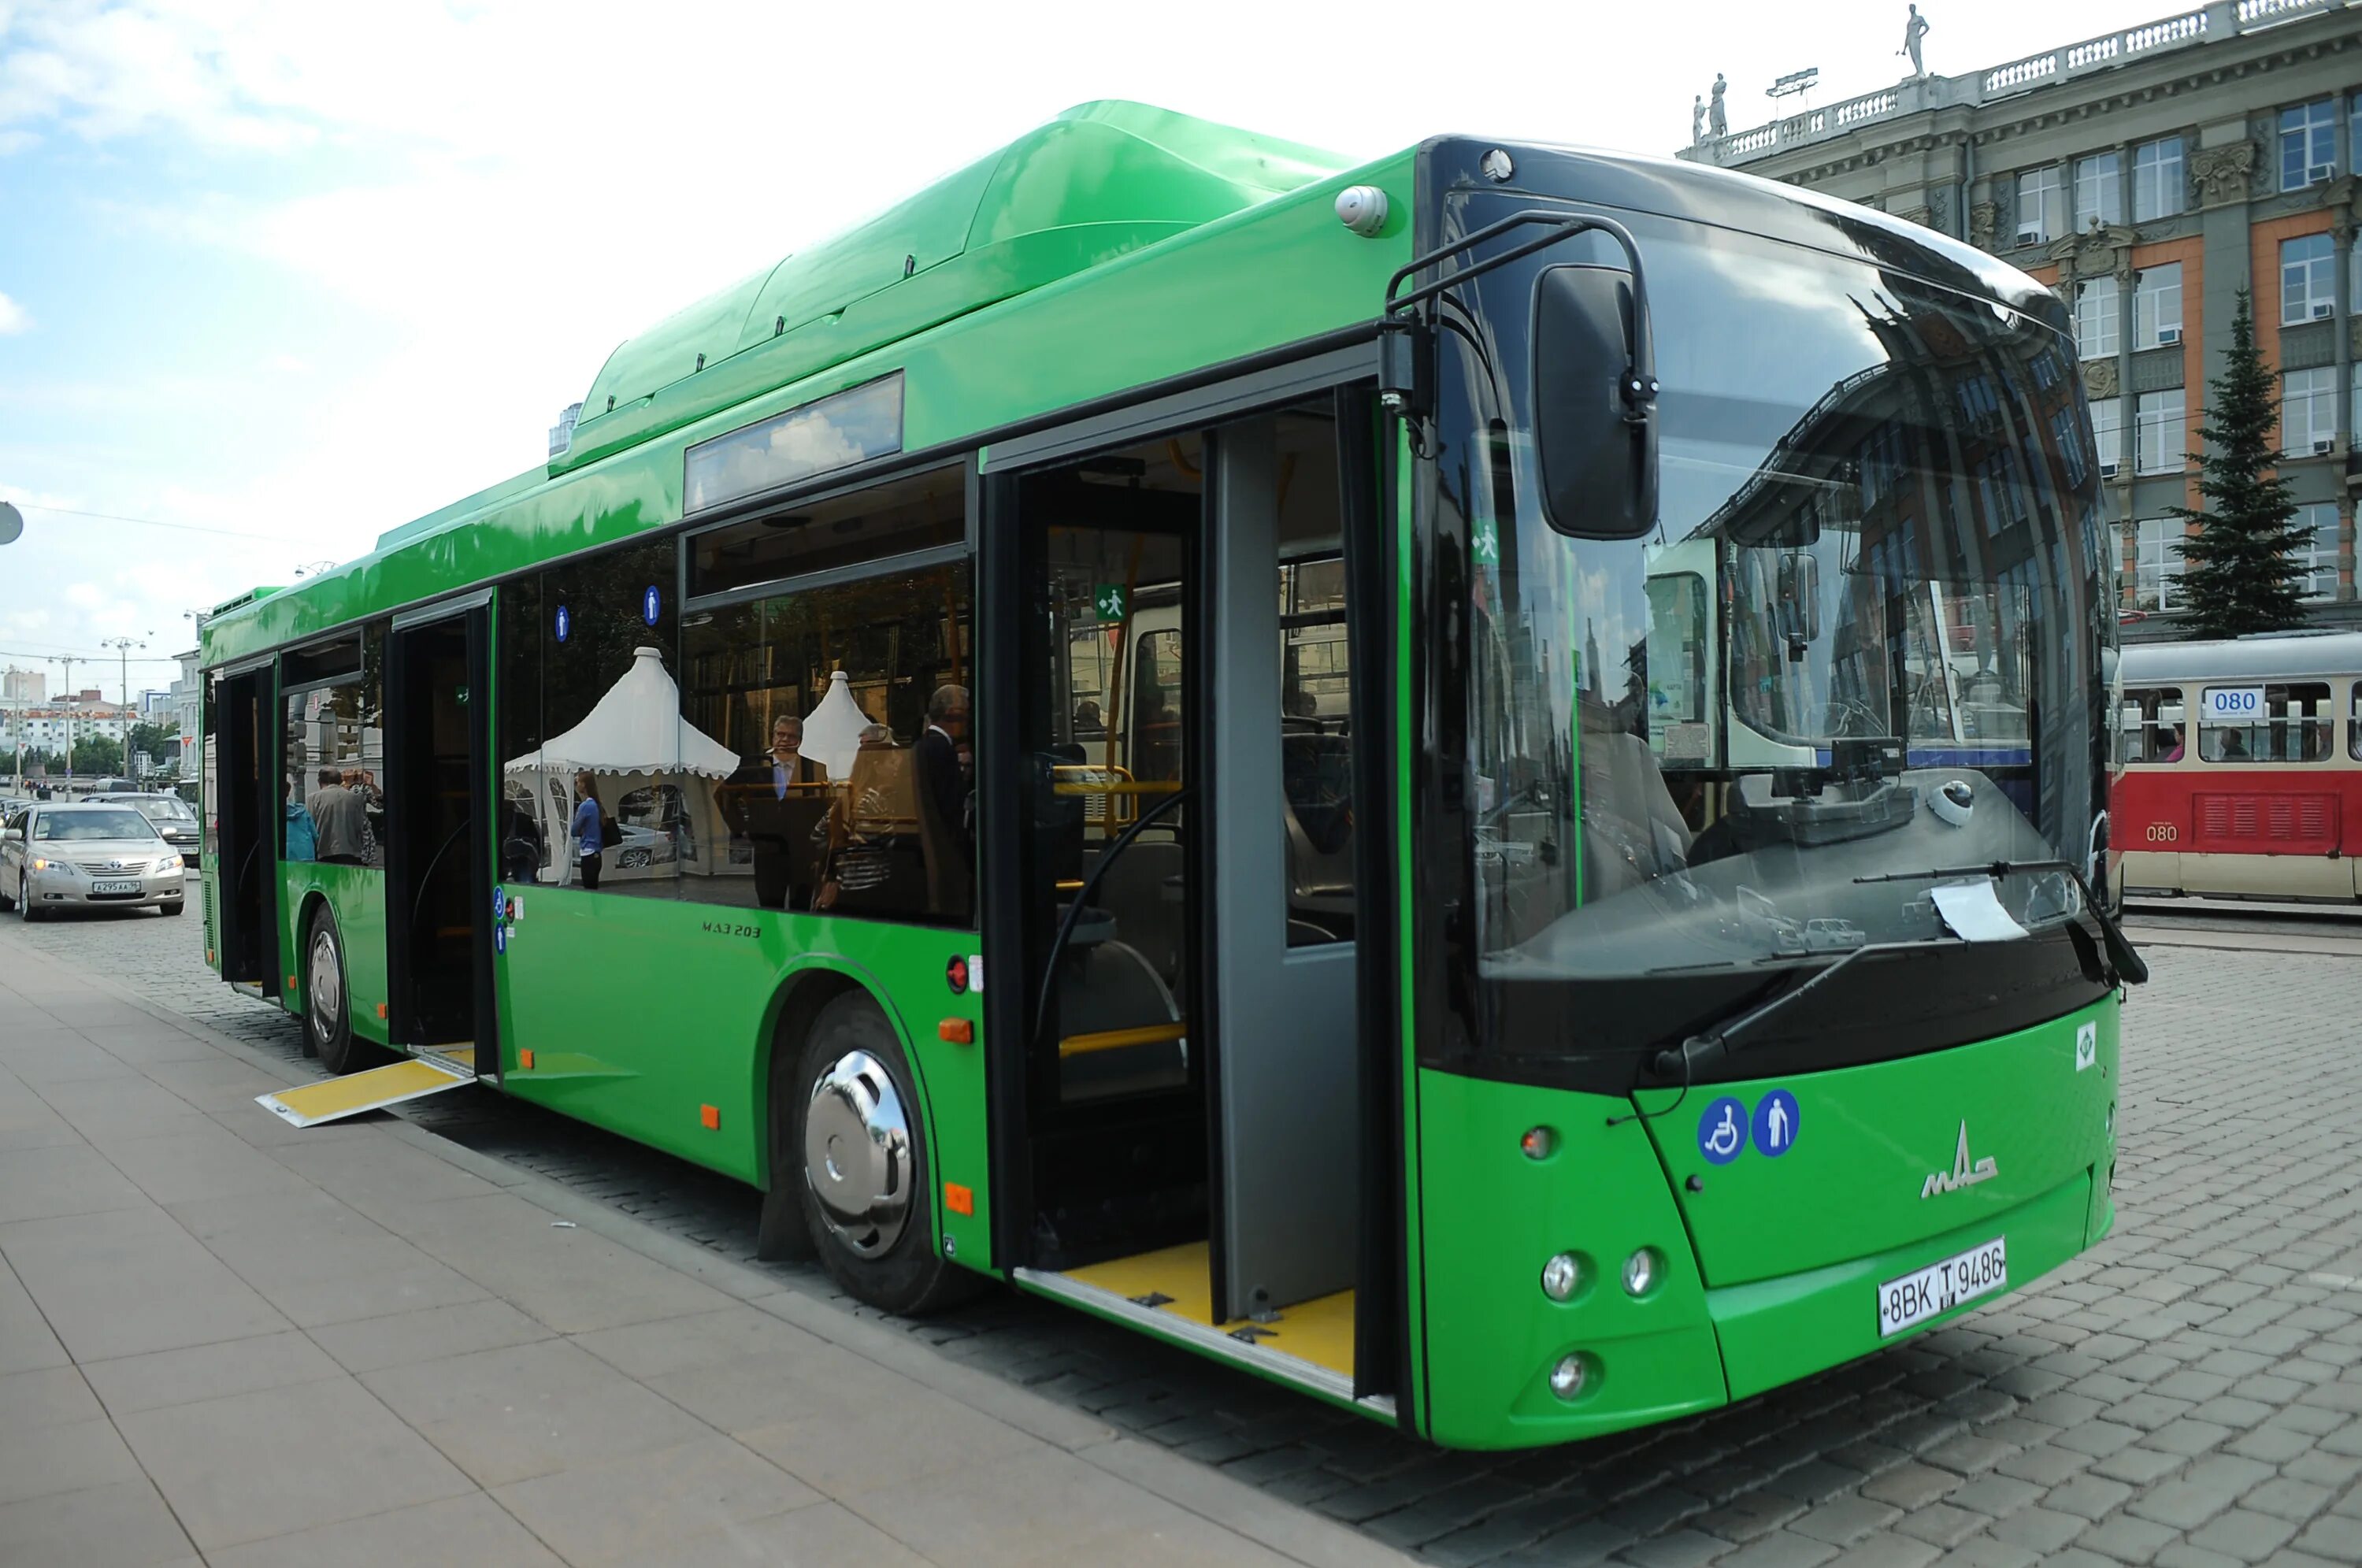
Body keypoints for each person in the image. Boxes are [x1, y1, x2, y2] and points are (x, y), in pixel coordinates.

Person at [719, 714, 829, 910]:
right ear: (773, 736)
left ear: (800, 741)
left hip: (802, 852)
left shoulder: (815, 768)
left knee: (801, 910)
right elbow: (723, 794)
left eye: (791, 736)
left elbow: (823, 807)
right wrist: (741, 828)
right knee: (770, 910)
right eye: (780, 734)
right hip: (768, 850)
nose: (785, 740)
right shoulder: (754, 767)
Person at [915, 684, 973, 921]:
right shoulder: (942, 749)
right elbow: (951, 806)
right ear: (954, 712)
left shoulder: (924, 744)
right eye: (967, 712)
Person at [306, 766, 369, 865]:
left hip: (324, 852)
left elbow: (310, 828)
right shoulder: (354, 798)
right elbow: (360, 826)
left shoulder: (313, 798)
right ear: (340, 781)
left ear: (319, 781)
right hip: (351, 852)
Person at [572, 770, 606, 890]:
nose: (577, 785)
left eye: (578, 782)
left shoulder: (585, 806)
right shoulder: (597, 805)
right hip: (597, 852)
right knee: (593, 887)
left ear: (584, 784)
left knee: (588, 888)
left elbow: (574, 830)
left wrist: (580, 830)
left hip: (588, 851)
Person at [284, 780, 317, 862]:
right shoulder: (303, 811)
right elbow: (315, 834)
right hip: (306, 853)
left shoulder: (273, 814)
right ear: (288, 793)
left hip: (286, 855)